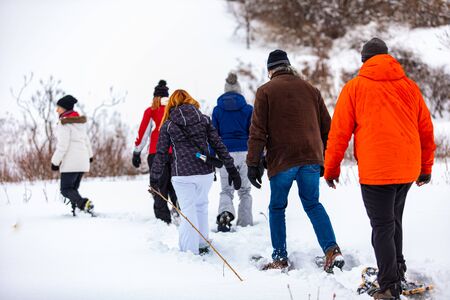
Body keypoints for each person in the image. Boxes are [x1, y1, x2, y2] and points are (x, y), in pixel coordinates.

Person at [324, 38, 435, 300]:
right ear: (388, 57)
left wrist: (331, 169)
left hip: (377, 172)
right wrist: (425, 167)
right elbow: (426, 129)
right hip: (407, 169)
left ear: (364, 60)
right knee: (393, 222)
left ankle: (388, 286)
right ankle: (396, 270)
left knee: (382, 226)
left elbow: (339, 133)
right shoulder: (409, 86)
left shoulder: (355, 87)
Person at [246, 49, 344, 272]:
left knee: (277, 207)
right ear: (288, 66)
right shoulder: (311, 90)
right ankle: (332, 250)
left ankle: (280, 258)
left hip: (282, 160)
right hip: (311, 158)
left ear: (270, 70)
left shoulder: (265, 91)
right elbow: (328, 130)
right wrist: (325, 159)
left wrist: (253, 163)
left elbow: (258, 131)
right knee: (312, 204)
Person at [150, 89, 241, 255]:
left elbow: (161, 154)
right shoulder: (204, 120)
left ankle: (189, 251)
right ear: (190, 100)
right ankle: (202, 242)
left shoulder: (168, 124)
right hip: (204, 172)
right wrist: (231, 168)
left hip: (182, 174)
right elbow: (218, 145)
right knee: (201, 206)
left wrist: (154, 178)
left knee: (188, 210)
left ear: (172, 103)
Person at [212, 72, 254, 232]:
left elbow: (213, 135)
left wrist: (212, 155)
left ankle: (225, 213)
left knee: (226, 190)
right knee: (245, 190)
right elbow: (253, 133)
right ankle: (245, 224)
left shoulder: (217, 110)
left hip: (225, 154)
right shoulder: (248, 109)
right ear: (239, 90)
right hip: (245, 152)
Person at [133, 80, 178, 224]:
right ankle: (179, 211)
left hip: (156, 153)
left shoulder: (151, 111)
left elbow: (143, 133)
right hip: (176, 153)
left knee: (159, 185)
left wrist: (136, 152)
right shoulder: (175, 110)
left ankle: (163, 219)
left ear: (155, 97)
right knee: (175, 184)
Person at [51, 95, 94, 216]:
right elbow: (86, 141)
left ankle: (84, 204)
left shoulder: (64, 123)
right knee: (73, 190)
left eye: (59, 107)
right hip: (83, 161)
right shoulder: (80, 123)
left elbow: (62, 146)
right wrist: (90, 156)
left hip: (71, 163)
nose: (57, 110)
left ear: (64, 108)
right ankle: (78, 211)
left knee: (65, 190)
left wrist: (55, 162)